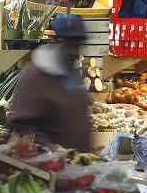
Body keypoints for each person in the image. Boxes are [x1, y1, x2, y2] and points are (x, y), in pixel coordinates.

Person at [8, 15, 91, 152]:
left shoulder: (72, 72)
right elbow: (22, 124)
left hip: (75, 165)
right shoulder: (39, 74)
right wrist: (52, 151)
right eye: (68, 43)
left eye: (77, 44)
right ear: (57, 42)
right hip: (49, 166)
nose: (73, 51)